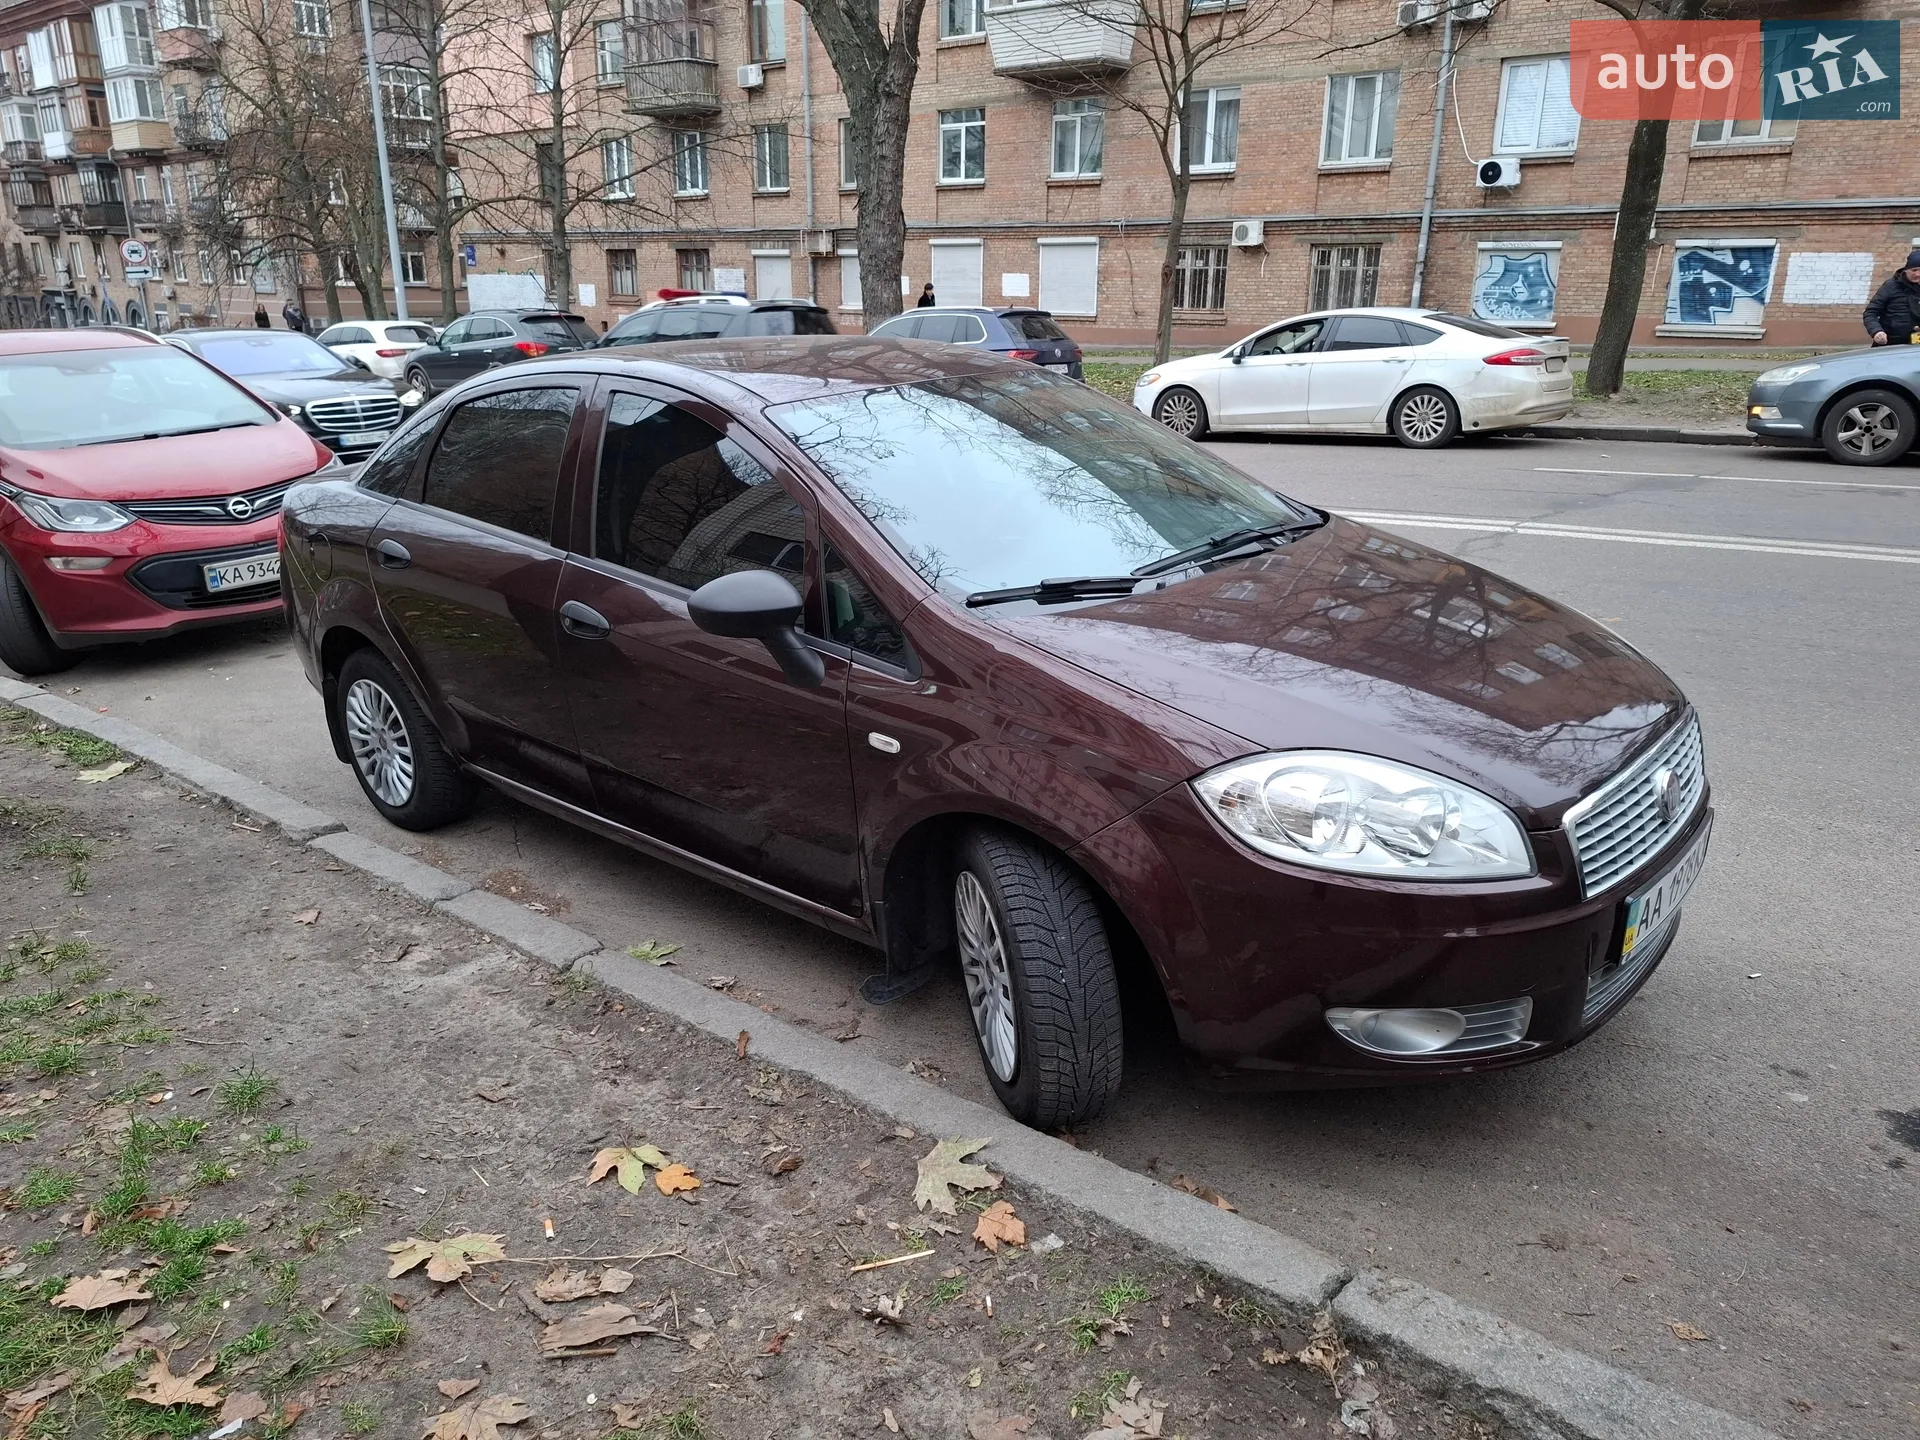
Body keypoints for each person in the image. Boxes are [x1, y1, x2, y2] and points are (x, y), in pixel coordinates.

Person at [1863, 249, 1920, 345]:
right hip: (1891, 344)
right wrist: (1877, 331)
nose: (1917, 274)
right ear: (1906, 270)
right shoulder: (1891, 286)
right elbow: (1870, 313)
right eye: (1914, 270)